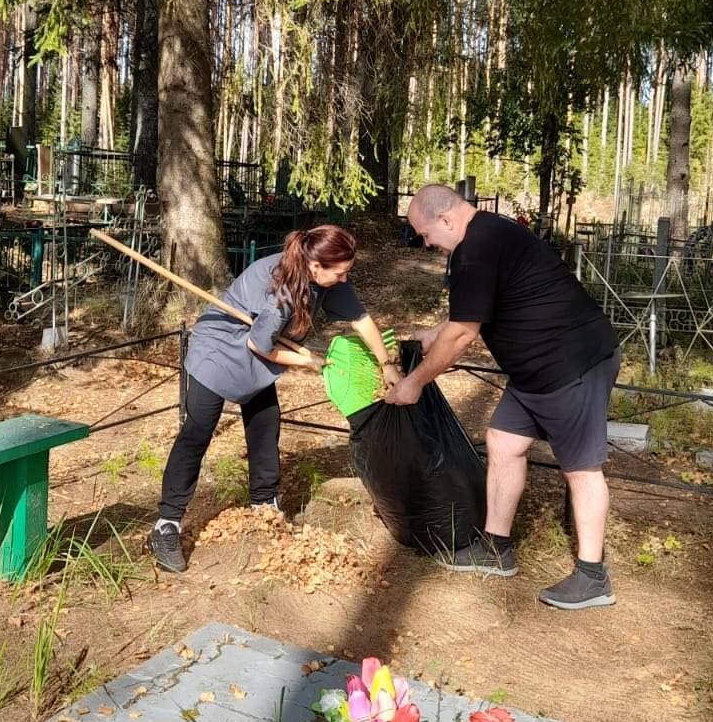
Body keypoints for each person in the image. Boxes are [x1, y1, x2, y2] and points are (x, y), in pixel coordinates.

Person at [385, 184, 620, 610]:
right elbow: (471, 311)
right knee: (503, 442)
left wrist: (415, 381)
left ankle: (593, 577)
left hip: (573, 363)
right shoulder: (483, 236)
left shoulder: (477, 247)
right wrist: (435, 333)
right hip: (534, 371)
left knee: (581, 469)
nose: (426, 244)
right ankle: (496, 549)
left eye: (425, 234)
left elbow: (463, 334)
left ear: (446, 219)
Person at [150, 225, 399, 574]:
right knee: (197, 434)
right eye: (340, 273)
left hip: (256, 354)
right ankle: (167, 524)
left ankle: (264, 504)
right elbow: (260, 345)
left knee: (265, 426)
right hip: (218, 352)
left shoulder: (326, 277)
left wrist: (386, 364)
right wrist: (308, 362)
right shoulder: (280, 289)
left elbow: (360, 319)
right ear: (316, 266)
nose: (345, 279)